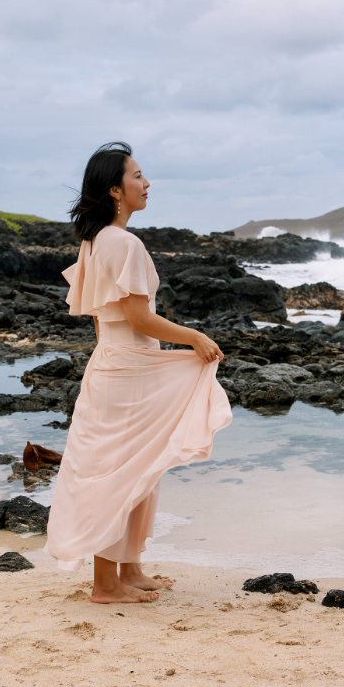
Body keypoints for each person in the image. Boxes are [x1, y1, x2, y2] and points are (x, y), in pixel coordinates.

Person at [43, 142, 231, 603]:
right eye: (138, 177)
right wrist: (195, 338)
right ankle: (106, 585)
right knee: (118, 473)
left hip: (118, 364)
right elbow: (138, 318)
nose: (147, 184)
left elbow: (101, 317)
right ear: (114, 190)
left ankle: (130, 570)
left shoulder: (96, 241)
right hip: (126, 367)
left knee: (138, 467)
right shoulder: (123, 242)